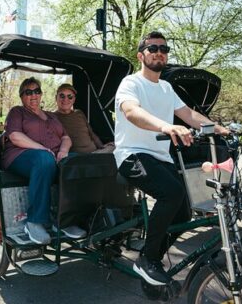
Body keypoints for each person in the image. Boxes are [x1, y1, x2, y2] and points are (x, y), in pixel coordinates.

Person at [114, 31, 229, 287]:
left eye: (164, 49)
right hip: (131, 155)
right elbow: (132, 112)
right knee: (172, 194)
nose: (159, 52)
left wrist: (220, 128)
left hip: (160, 158)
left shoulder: (166, 87)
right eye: (152, 47)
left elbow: (188, 114)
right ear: (140, 55)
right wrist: (166, 127)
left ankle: (150, 255)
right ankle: (147, 260)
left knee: (183, 214)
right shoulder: (130, 83)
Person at [3, 77, 85, 244]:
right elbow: (15, 136)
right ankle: (35, 221)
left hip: (52, 156)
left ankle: (64, 221)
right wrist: (41, 149)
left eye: (37, 91)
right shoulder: (17, 112)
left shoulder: (50, 116)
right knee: (44, 159)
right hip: (21, 155)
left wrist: (63, 150)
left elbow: (66, 137)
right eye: (28, 92)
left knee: (77, 163)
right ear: (22, 96)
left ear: (41, 94)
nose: (33, 95)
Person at [53, 83, 107, 153]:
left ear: (74, 99)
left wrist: (102, 147)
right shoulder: (52, 117)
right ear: (56, 98)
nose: (66, 99)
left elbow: (91, 134)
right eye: (62, 96)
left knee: (117, 147)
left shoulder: (79, 113)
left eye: (70, 97)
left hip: (95, 153)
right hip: (75, 158)